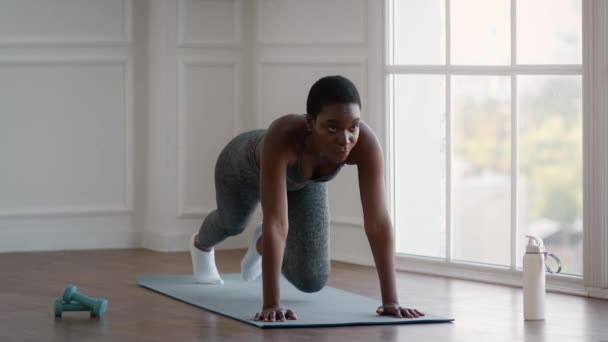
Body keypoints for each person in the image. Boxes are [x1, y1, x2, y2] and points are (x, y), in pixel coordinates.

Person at [189, 75, 424, 322]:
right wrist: (272, 304)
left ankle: (261, 244)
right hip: (242, 168)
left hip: (304, 183)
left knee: (312, 279)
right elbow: (277, 222)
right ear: (311, 123)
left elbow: (378, 223)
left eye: (353, 126)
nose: (345, 139)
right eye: (332, 128)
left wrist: (391, 301)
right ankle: (200, 246)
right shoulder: (283, 135)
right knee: (232, 224)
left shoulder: (365, 145)